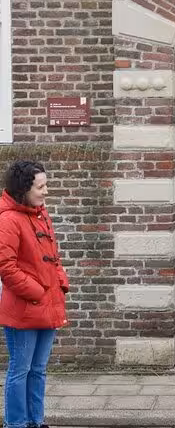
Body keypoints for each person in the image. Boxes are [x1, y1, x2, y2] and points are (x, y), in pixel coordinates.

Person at [0, 161, 69, 428]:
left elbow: (53, 258)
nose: (46, 191)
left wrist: (61, 282)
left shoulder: (40, 214)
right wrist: (37, 291)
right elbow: (6, 266)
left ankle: (35, 422)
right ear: (23, 189)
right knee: (21, 370)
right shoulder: (8, 219)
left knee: (38, 371)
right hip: (24, 308)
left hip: (48, 304)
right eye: (41, 186)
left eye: (46, 185)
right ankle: (16, 424)